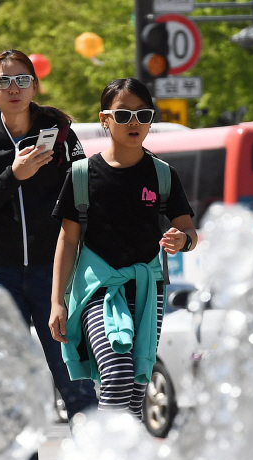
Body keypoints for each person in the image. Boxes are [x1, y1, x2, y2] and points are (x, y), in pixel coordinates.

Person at [0, 49, 97, 460]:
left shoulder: (60, 135)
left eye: (23, 80)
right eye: (6, 81)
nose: (15, 89)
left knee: (71, 373)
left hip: (51, 271)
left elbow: (85, 194)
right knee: (12, 380)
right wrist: (13, 175)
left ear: (35, 86)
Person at [49, 78, 197, 418]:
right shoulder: (82, 175)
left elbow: (189, 231)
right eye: (123, 114)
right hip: (98, 290)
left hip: (148, 291)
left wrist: (182, 239)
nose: (134, 122)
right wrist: (57, 302)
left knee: (135, 391)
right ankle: (105, 459)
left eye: (143, 114)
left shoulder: (163, 175)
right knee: (116, 376)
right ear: (104, 119)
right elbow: (67, 239)